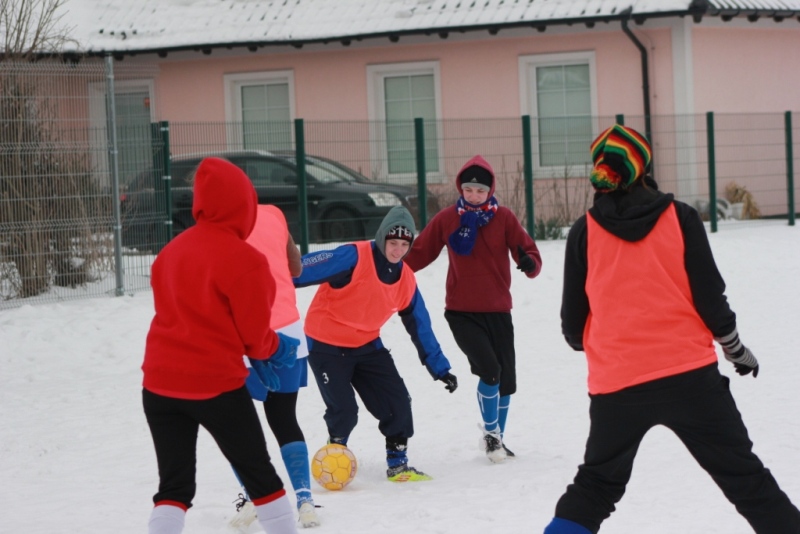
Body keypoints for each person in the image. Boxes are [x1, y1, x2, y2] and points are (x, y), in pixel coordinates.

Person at [543, 124, 800, 533]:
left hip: (618, 384)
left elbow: (572, 327)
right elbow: (710, 299)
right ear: (644, 167)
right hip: (690, 378)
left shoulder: (583, 231)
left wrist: (604, 342)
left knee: (595, 485)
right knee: (747, 481)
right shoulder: (681, 218)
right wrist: (735, 349)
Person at [141, 157, 299, 534]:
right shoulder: (245, 259)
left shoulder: (170, 252)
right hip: (215, 384)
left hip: (158, 384)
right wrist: (280, 348)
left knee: (174, 486)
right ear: (244, 206)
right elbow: (256, 340)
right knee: (260, 477)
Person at [293, 205, 458, 482]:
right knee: (345, 410)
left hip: (367, 345)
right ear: (382, 237)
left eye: (404, 244)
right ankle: (336, 452)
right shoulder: (353, 256)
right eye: (392, 242)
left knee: (398, 402)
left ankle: (397, 464)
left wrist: (438, 366)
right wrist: (268, 276)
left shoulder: (405, 278)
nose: (397, 249)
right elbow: (301, 270)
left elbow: (420, 324)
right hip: (325, 344)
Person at [404, 155, 542, 463]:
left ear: (490, 190)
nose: (474, 196)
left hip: (498, 310)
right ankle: (491, 436)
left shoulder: (504, 218)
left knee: (506, 379)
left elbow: (528, 251)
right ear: (461, 189)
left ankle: (498, 439)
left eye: (480, 190)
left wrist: (529, 263)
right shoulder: (447, 219)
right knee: (490, 371)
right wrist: (390, 269)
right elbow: (420, 253)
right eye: (468, 189)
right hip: (461, 311)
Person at [229, 204, 320, 530]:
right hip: (289, 331)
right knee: (284, 418)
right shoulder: (275, 215)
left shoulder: (221, 223)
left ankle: (253, 496)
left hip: (244, 334)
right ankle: (305, 500)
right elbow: (295, 268)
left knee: (237, 422)